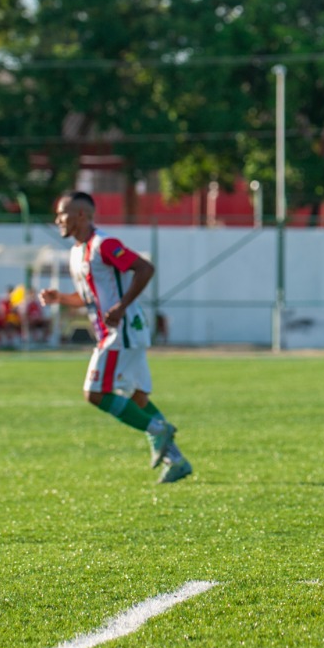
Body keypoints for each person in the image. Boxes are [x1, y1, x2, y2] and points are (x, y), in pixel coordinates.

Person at [40, 191, 193, 483]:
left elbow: (144, 269)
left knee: (95, 393)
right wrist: (59, 297)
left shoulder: (103, 244)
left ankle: (158, 430)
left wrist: (120, 308)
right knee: (137, 397)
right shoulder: (76, 253)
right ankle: (176, 460)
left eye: (62, 213)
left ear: (81, 215)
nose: (57, 219)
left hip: (119, 331)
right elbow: (89, 298)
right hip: (119, 330)